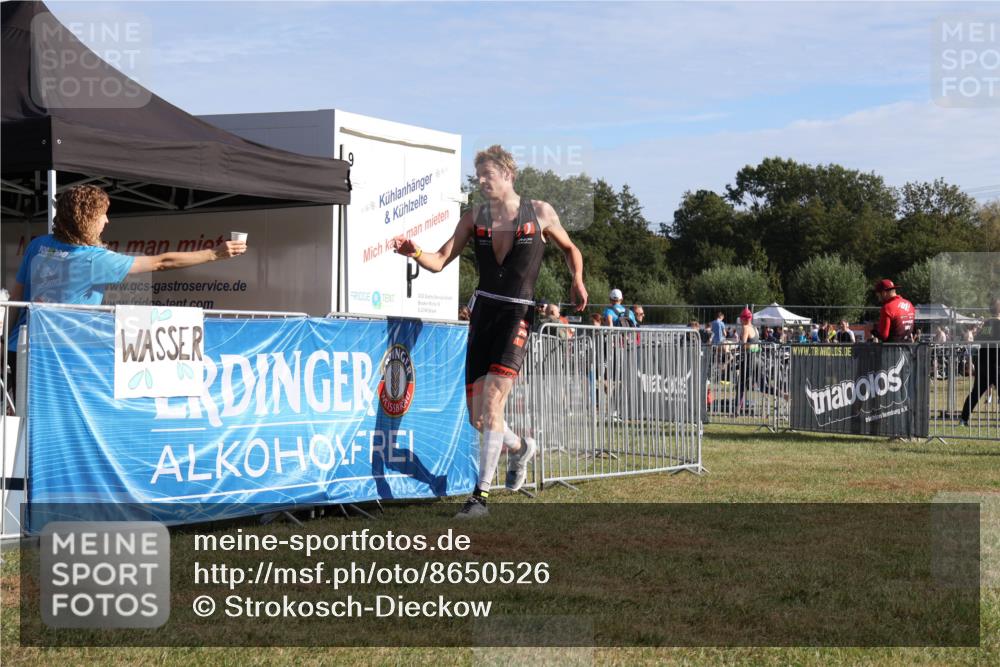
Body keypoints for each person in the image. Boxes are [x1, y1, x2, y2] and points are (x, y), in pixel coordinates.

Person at [391, 145, 586, 518]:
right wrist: (414, 252)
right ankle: (520, 447)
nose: (481, 182)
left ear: (508, 175)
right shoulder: (474, 217)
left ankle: (479, 496)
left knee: (494, 403)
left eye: (488, 176)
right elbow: (440, 260)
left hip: (517, 315)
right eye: (478, 176)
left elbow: (571, 248)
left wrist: (577, 280)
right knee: (478, 419)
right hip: (483, 315)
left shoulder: (540, 212)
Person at [5, 185, 246, 398]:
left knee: (24, 423)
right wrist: (214, 254)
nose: (107, 221)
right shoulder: (93, 259)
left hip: (21, 348)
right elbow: (161, 262)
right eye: (103, 215)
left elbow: (16, 297)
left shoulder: (39, 245)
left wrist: (4, 344)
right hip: (63, 354)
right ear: (87, 218)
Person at [960, 298, 1000, 427]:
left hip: (983, 365)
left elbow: (978, 339)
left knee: (975, 394)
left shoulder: (986, 324)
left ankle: (963, 419)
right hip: (996, 365)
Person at [873, 278, 915, 343]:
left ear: (884, 293)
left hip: (892, 350)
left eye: (878, 296)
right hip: (908, 349)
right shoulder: (909, 304)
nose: (878, 299)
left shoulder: (887, 308)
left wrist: (875, 331)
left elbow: (884, 335)